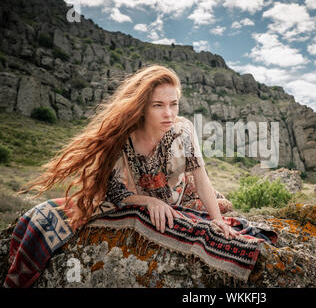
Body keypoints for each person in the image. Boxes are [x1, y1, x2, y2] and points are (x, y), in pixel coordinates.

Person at [3, 64, 277, 288]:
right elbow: (116, 194)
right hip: (138, 195)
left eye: (174, 104)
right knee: (49, 214)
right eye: (159, 105)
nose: (169, 113)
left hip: (180, 192)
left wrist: (217, 221)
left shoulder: (184, 130)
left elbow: (200, 174)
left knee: (219, 207)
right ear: (142, 107)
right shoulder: (122, 137)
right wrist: (149, 203)